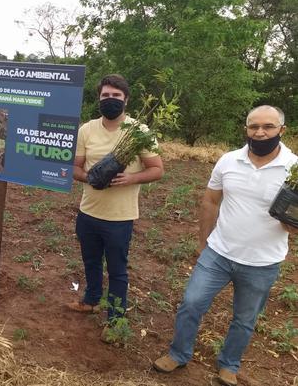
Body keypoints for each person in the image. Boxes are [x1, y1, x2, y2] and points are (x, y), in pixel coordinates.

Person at [153, 105, 298, 386]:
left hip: (262, 262)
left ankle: (229, 365)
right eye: (253, 126)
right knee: (191, 303)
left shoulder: (294, 169)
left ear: (282, 130)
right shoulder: (229, 160)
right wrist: (203, 242)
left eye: (268, 127)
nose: (260, 132)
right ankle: (178, 354)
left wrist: (291, 223)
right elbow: (210, 200)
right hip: (218, 253)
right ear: (246, 129)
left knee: (244, 319)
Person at [68, 74, 164, 339]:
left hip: (120, 217)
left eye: (116, 96)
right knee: (90, 261)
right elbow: (74, 167)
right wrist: (91, 177)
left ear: (126, 100)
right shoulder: (87, 129)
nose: (110, 101)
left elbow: (157, 170)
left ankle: (116, 318)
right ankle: (90, 300)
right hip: (88, 210)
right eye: (105, 96)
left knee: (117, 269)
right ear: (99, 99)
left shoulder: (139, 132)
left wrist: (131, 178)